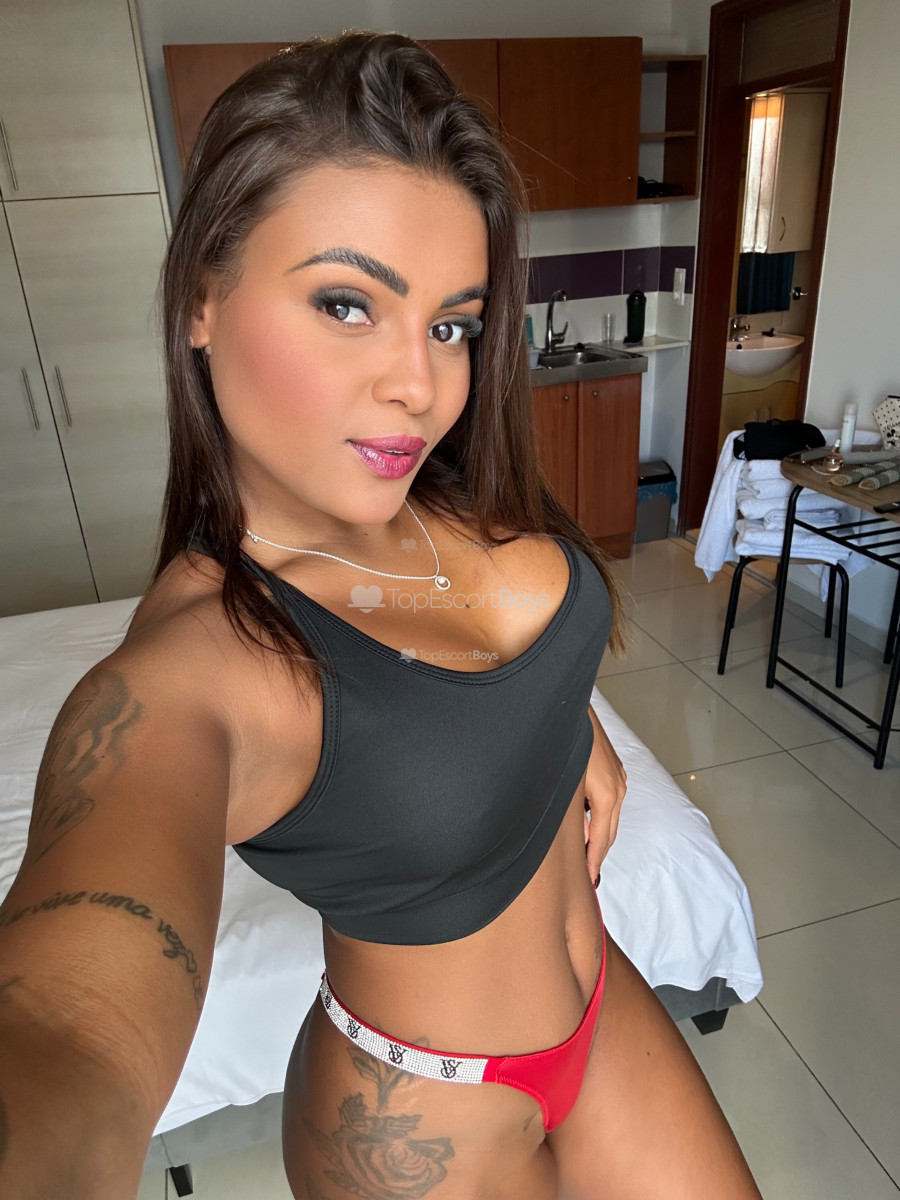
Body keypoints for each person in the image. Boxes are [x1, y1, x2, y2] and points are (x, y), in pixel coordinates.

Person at [0, 30, 763, 1200]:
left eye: (452, 324)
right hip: (413, 1119)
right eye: (348, 303)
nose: (422, 384)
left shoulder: (435, 489)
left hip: (605, 1008)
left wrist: (565, 729)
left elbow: (486, 661)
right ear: (201, 298)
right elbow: (73, 1028)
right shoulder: (197, 669)